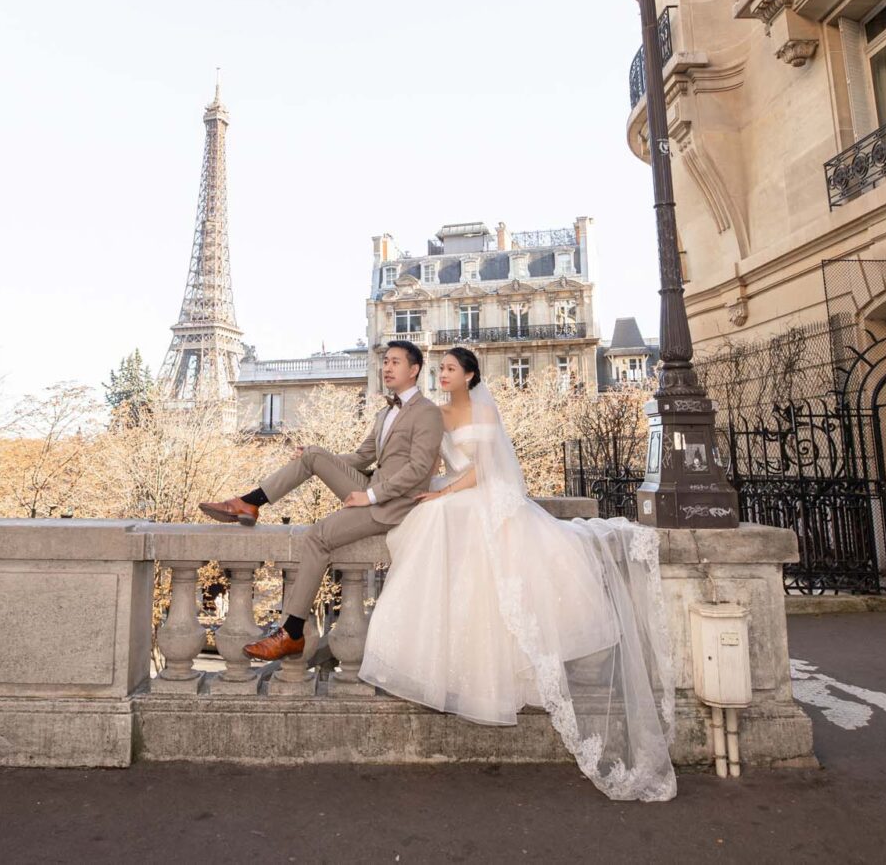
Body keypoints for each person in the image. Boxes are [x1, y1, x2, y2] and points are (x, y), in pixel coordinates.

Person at [357, 347, 676, 803]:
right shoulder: (435, 415)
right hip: (453, 492)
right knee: (432, 524)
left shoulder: (484, 410)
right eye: (440, 369)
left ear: (470, 375)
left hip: (483, 491)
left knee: (452, 528)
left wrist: (443, 494)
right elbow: (424, 462)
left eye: (450, 369)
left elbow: (485, 469)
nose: (443, 375)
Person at [198, 339, 444, 662]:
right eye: (385, 361)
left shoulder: (428, 413)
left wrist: (370, 496)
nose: (386, 367)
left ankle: (292, 632)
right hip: (372, 489)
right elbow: (361, 457)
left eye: (395, 362)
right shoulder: (385, 413)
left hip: (393, 504)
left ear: (414, 370)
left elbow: (419, 470)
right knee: (312, 454)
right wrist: (317, 458)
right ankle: (249, 502)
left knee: (317, 537)